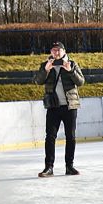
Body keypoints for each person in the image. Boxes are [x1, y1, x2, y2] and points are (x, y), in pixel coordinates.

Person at [33, 41, 85, 177]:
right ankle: (48, 167)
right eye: (53, 50)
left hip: (70, 106)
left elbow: (81, 82)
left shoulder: (72, 64)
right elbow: (38, 81)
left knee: (71, 137)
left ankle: (70, 166)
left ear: (64, 51)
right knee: (50, 137)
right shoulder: (46, 65)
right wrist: (46, 70)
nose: (56, 53)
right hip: (53, 106)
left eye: (58, 50)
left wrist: (71, 70)